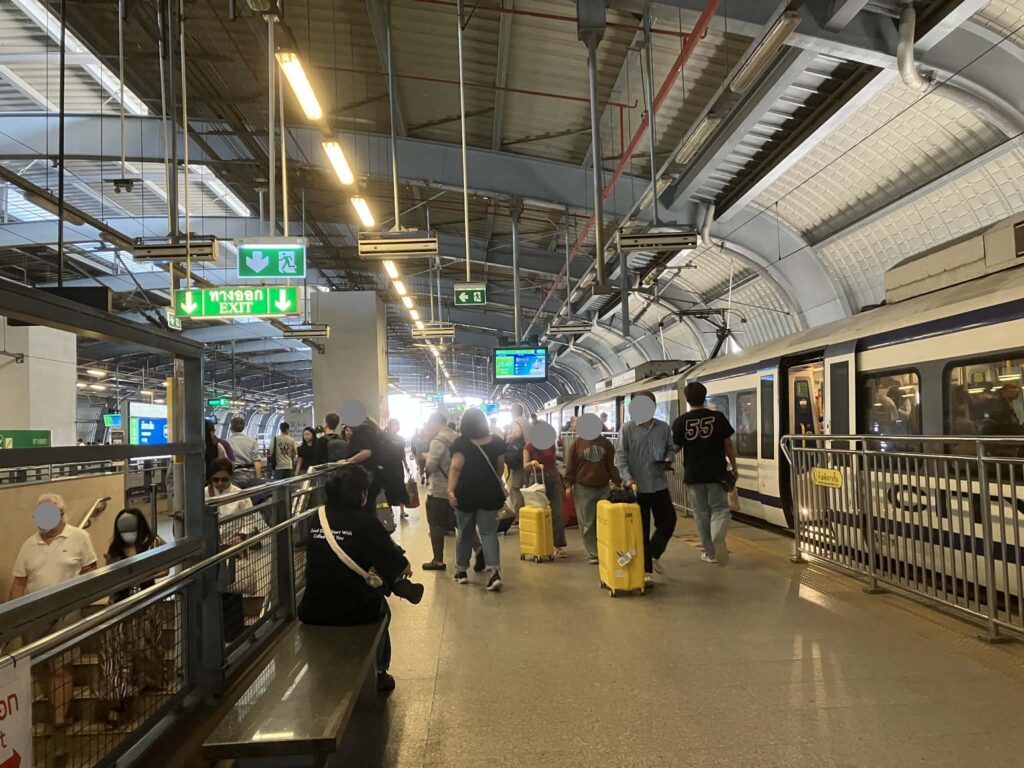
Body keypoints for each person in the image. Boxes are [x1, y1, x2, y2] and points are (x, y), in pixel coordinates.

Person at [299, 465, 421, 692]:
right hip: (355, 609)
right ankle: (381, 671)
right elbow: (397, 565)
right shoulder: (366, 522)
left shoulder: (318, 517)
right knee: (384, 610)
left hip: (313, 607)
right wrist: (402, 567)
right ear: (362, 493)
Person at [9, 493, 98, 728]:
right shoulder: (28, 544)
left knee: (61, 666)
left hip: (67, 611)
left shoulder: (79, 537)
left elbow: (91, 568)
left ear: (60, 514)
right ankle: (57, 705)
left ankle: (60, 718)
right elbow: (19, 582)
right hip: (35, 613)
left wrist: (82, 598)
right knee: (38, 667)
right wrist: (13, 616)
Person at [98, 508, 168, 725]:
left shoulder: (152, 541)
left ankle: (147, 681)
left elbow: (164, 568)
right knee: (115, 652)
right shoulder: (115, 548)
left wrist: (142, 575)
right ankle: (118, 699)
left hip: (145, 604)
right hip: (119, 605)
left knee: (144, 646)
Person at [615, 391, 676, 587]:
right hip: (636, 488)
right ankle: (646, 570)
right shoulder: (627, 429)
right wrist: (627, 478)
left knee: (668, 522)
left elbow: (670, 449)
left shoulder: (663, 428)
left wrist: (667, 460)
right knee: (640, 530)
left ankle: (654, 553)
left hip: (659, 484)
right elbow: (621, 457)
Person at [673, 382, 738, 565]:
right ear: (705, 396)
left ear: (687, 398)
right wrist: (734, 466)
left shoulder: (681, 422)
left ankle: (710, 553)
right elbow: (728, 445)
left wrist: (664, 460)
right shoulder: (718, 418)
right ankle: (718, 537)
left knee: (701, 513)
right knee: (720, 509)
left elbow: (675, 447)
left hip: (693, 474)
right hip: (716, 472)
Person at [448, 408, 507, 591]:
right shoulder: (497, 442)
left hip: (465, 493)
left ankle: (461, 571)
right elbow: (500, 467)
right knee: (489, 532)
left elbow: (456, 468)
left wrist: (450, 490)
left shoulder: (461, 443)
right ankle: (494, 572)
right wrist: (492, 484)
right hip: (489, 494)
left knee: (465, 532)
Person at [564, 429, 621, 563]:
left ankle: (604, 549)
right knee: (587, 522)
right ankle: (593, 553)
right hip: (583, 487)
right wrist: (568, 485)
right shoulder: (577, 444)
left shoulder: (606, 443)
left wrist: (617, 482)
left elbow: (611, 465)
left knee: (604, 521)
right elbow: (571, 466)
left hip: (603, 487)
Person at [524, 435, 568, 558]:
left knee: (557, 513)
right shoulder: (529, 446)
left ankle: (558, 545)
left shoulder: (551, 444)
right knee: (536, 513)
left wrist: (560, 483)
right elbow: (525, 465)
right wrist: (532, 463)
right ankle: (535, 544)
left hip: (552, 478)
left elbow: (553, 463)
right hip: (536, 479)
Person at [380, 418, 412, 519]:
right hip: (386, 467)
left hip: (398, 467)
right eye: (392, 424)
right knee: (388, 489)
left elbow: (403, 454)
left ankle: (402, 511)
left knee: (400, 487)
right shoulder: (383, 438)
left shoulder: (400, 439)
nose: (393, 427)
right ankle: (390, 511)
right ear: (388, 425)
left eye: (395, 425)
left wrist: (406, 466)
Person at [505, 403, 530, 518]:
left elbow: (517, 434)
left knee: (516, 488)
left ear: (513, 412)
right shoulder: (527, 422)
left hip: (518, 459)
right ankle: (529, 511)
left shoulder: (515, 423)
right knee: (528, 486)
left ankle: (519, 516)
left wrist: (509, 437)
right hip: (529, 458)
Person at [226, 416, 263, 486]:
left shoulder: (226, 442)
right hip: (250, 475)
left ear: (230, 427)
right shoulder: (252, 441)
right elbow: (257, 461)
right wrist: (259, 478)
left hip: (234, 475)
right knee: (250, 496)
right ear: (244, 427)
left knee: (236, 496)